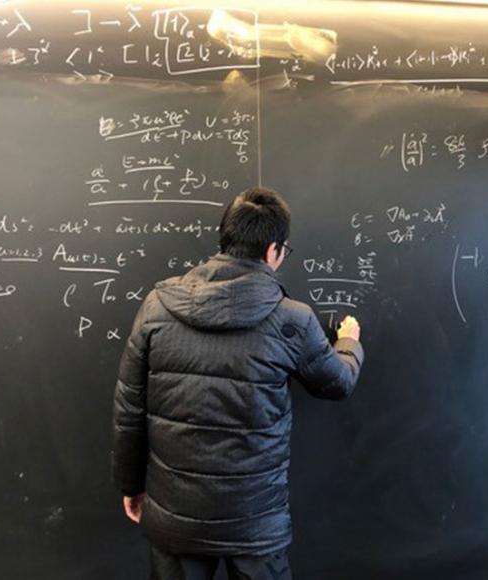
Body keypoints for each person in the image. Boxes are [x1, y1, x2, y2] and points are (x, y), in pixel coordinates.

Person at [111, 186, 364, 580]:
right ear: (273, 251)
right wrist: (349, 341)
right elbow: (338, 383)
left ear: (224, 238)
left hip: (176, 516)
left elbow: (129, 410)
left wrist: (130, 483)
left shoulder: (157, 306)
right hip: (255, 521)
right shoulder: (291, 320)